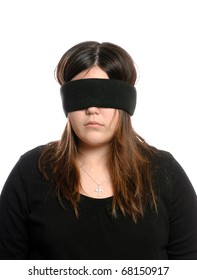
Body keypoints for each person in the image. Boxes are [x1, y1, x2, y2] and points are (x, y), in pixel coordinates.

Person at [0, 41, 197, 260]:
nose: (92, 109)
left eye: (104, 94)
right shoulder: (31, 171)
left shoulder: (165, 173)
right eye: (82, 94)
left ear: (126, 101)